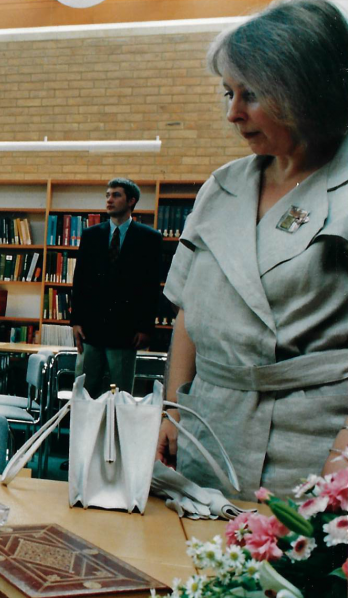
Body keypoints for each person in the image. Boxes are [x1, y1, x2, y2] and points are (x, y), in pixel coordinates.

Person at [156, 0, 348, 496]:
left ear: (305, 89)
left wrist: (344, 453)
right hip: (210, 428)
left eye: (252, 94)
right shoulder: (222, 187)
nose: (232, 113)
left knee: (286, 566)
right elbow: (188, 313)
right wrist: (173, 409)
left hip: (312, 438)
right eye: (228, 93)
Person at [70, 178, 162, 398]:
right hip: (91, 330)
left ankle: (116, 434)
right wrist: (76, 321)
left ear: (131, 201)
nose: (109, 200)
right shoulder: (90, 235)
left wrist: (146, 328)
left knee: (120, 395)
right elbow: (79, 281)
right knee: (84, 393)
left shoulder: (149, 238)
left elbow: (151, 287)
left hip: (125, 332)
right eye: (107, 195)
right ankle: (83, 434)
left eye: (116, 195)